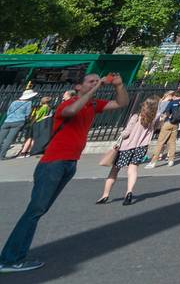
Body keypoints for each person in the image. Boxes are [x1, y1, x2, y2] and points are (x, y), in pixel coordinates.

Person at [0, 71, 128, 273]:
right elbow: (71, 112)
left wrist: (119, 85)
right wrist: (96, 87)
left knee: (39, 210)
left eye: (97, 80)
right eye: (91, 81)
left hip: (69, 163)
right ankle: (10, 259)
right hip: (53, 163)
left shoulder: (93, 105)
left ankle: (12, 256)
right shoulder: (67, 104)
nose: (96, 83)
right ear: (78, 87)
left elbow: (121, 104)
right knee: (35, 210)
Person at [97, 95, 158, 205]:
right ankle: (129, 192)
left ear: (144, 104)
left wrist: (121, 135)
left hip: (127, 147)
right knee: (133, 169)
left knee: (114, 170)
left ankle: (105, 195)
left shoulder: (136, 116)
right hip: (141, 147)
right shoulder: (153, 118)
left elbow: (127, 132)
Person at [149, 86, 180, 168]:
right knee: (172, 143)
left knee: (160, 142)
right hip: (176, 124)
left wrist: (164, 118)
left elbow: (166, 113)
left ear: (174, 96)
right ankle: (171, 160)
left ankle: (153, 162)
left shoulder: (171, 103)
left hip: (168, 123)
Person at [0, 92, 35, 160]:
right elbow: (28, 113)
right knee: (9, 139)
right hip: (18, 122)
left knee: (1, 137)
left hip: (8, 121)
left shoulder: (14, 102)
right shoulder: (28, 103)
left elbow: (9, 111)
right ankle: (1, 155)